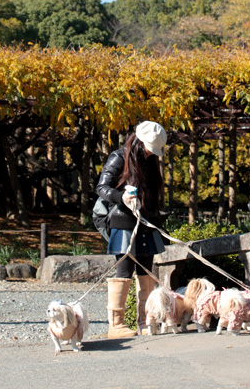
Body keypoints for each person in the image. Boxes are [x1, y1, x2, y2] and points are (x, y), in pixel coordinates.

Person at [96, 120, 167, 338]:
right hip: (123, 222)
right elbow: (101, 187)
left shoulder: (150, 161)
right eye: (148, 147)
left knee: (146, 272)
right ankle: (115, 325)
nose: (150, 153)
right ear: (137, 141)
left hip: (147, 223)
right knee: (124, 271)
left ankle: (145, 321)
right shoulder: (119, 157)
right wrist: (122, 197)